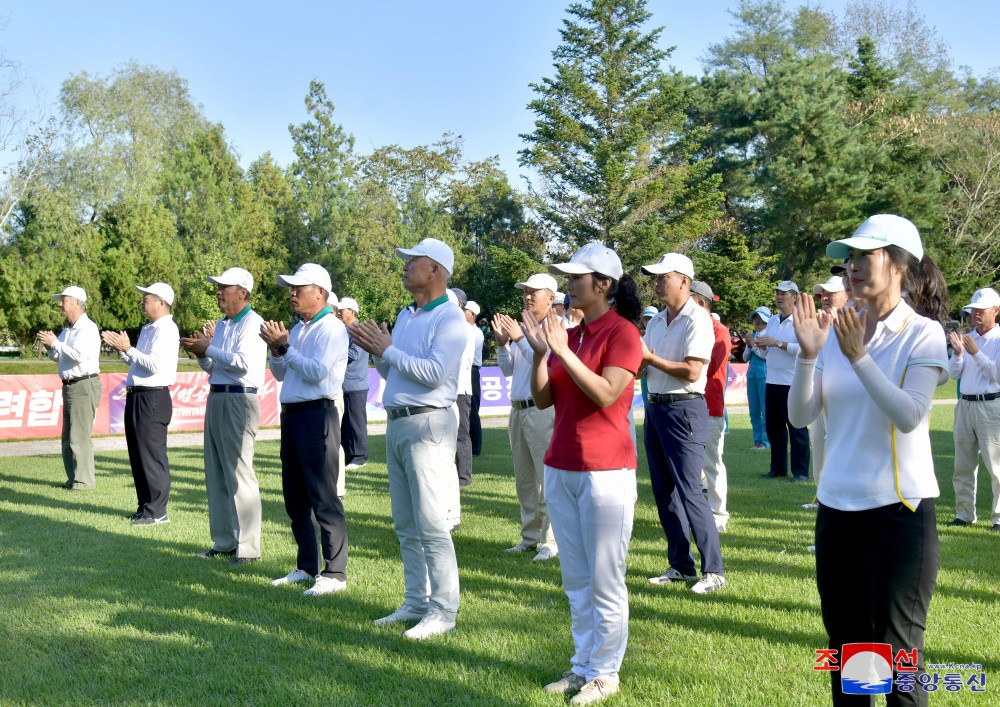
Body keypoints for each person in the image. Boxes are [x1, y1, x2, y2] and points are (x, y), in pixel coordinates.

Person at [788, 213, 949, 706]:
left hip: (898, 512)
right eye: (848, 260)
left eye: (864, 257)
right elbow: (800, 416)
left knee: (898, 655)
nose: (851, 269)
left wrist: (858, 357)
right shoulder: (837, 329)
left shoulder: (922, 334)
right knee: (851, 651)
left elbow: (910, 415)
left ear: (899, 265)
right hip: (836, 508)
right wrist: (809, 355)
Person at [524, 242, 642, 706]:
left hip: (606, 471)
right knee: (575, 576)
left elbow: (608, 394)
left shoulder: (623, 333)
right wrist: (540, 354)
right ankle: (582, 665)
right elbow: (543, 400)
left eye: (577, 278)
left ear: (604, 285)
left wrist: (561, 351)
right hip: (562, 464)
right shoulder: (568, 337)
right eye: (568, 277)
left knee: (605, 577)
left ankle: (605, 673)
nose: (569, 285)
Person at [349, 237, 466, 640]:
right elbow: (396, 374)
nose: (403, 267)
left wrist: (389, 350)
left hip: (428, 424)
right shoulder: (407, 315)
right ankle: (417, 601)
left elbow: (434, 373)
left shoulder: (450, 318)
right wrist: (379, 353)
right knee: (405, 523)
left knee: (432, 523)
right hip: (399, 422)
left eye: (411, 261)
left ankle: (443, 609)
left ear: (434, 270)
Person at [262, 263, 350, 596]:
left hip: (318, 414)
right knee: (295, 497)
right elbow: (282, 374)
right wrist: (277, 350)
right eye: (292, 287)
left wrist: (285, 348)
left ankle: (336, 572)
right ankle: (305, 566)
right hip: (294, 415)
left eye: (300, 287)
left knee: (323, 495)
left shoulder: (332, 328)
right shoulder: (300, 328)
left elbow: (318, 373)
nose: (293, 292)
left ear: (321, 293)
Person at [640, 255, 726, 595]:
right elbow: (646, 367)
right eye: (656, 277)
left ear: (684, 282)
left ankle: (714, 571)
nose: (657, 281)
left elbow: (692, 371)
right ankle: (680, 565)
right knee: (664, 491)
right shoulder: (656, 320)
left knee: (690, 489)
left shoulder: (698, 319)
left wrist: (648, 359)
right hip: (656, 408)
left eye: (664, 276)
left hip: (685, 409)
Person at [181, 267, 266, 565]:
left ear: (242, 292)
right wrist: (202, 354)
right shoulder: (224, 323)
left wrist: (210, 349)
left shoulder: (254, 323)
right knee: (216, 472)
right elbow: (215, 368)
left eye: (224, 287)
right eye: (217, 287)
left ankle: (248, 547)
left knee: (240, 474)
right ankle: (225, 541)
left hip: (239, 400)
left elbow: (242, 365)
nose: (218, 291)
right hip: (218, 396)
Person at [492, 273, 559, 562]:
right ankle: (529, 537)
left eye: (534, 292)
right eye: (525, 292)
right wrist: (502, 345)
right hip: (518, 409)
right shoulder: (523, 328)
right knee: (524, 480)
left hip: (542, 409)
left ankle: (550, 540)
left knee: (547, 479)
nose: (528, 297)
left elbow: (545, 361)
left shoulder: (557, 328)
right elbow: (509, 370)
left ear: (551, 298)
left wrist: (520, 340)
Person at [102, 282, 179, 525]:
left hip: (153, 397)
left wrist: (129, 349)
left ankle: (158, 512)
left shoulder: (167, 329)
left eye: (146, 299)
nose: (142, 303)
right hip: (138, 394)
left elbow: (156, 365)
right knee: (138, 453)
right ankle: (145, 506)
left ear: (161, 302)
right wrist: (124, 351)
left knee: (152, 455)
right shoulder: (149, 329)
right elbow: (139, 364)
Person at [37, 286, 102, 491]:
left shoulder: (87, 328)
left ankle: (84, 482)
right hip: (71, 385)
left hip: (84, 384)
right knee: (68, 437)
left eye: (64, 300)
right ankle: (73, 478)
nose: (60, 304)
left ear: (76, 302)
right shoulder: (68, 329)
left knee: (79, 436)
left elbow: (78, 355)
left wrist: (55, 343)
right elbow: (59, 356)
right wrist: (50, 346)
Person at [947, 287, 1000, 532]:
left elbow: (996, 374)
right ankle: (964, 514)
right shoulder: (969, 338)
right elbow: (954, 374)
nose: (975, 314)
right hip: (965, 404)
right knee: (963, 465)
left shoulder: (997, 340)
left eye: (981, 310)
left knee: (996, 466)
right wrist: (958, 355)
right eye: (973, 310)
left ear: (996, 311)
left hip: (991, 406)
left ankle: (998, 517)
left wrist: (975, 353)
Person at [756, 281, 811, 481]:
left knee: (796, 427)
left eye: (784, 294)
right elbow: (768, 353)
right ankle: (777, 468)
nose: (779, 297)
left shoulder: (802, 320)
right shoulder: (771, 320)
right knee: (774, 427)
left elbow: (805, 349)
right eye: (777, 293)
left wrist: (778, 343)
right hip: (772, 381)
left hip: (793, 382)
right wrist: (762, 347)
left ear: (795, 297)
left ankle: (800, 472)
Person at [690, 281, 732, 532]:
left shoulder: (720, 331)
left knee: (712, 463)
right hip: (687, 404)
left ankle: (718, 513)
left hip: (709, 406)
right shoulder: (688, 325)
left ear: (701, 303)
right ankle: (695, 512)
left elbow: (709, 367)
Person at [809, 275, 849, 498]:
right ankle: (820, 496)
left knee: (837, 445)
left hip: (841, 398)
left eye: (831, 292)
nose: (825, 297)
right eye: (823, 293)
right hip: (819, 393)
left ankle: (837, 496)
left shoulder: (854, 322)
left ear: (846, 295)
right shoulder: (818, 323)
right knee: (818, 443)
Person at [337, 297, 370, 471]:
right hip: (346, 385)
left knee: (356, 422)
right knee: (346, 424)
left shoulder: (359, 330)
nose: (340, 313)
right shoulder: (346, 330)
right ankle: (349, 455)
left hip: (355, 385)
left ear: (351, 311)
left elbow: (354, 355)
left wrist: (335, 354)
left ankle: (359, 457)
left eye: (343, 310)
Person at [449, 287, 476, 487]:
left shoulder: (464, 328)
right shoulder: (451, 324)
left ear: (459, 304)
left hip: (460, 389)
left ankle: (463, 477)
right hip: (448, 388)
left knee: (461, 435)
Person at [742, 306, 771, 450]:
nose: (757, 321)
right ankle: (757, 441)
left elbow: (766, 356)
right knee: (754, 410)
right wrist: (748, 346)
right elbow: (745, 357)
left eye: (760, 318)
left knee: (765, 410)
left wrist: (753, 346)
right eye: (755, 318)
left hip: (764, 375)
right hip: (752, 375)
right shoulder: (752, 336)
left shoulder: (769, 336)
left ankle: (765, 442)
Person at [465, 300, 485, 457]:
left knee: (472, 410)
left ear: (472, 314)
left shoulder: (475, 333)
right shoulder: (465, 330)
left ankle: (475, 448)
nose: (462, 312)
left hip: (471, 371)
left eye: (465, 310)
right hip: (465, 370)